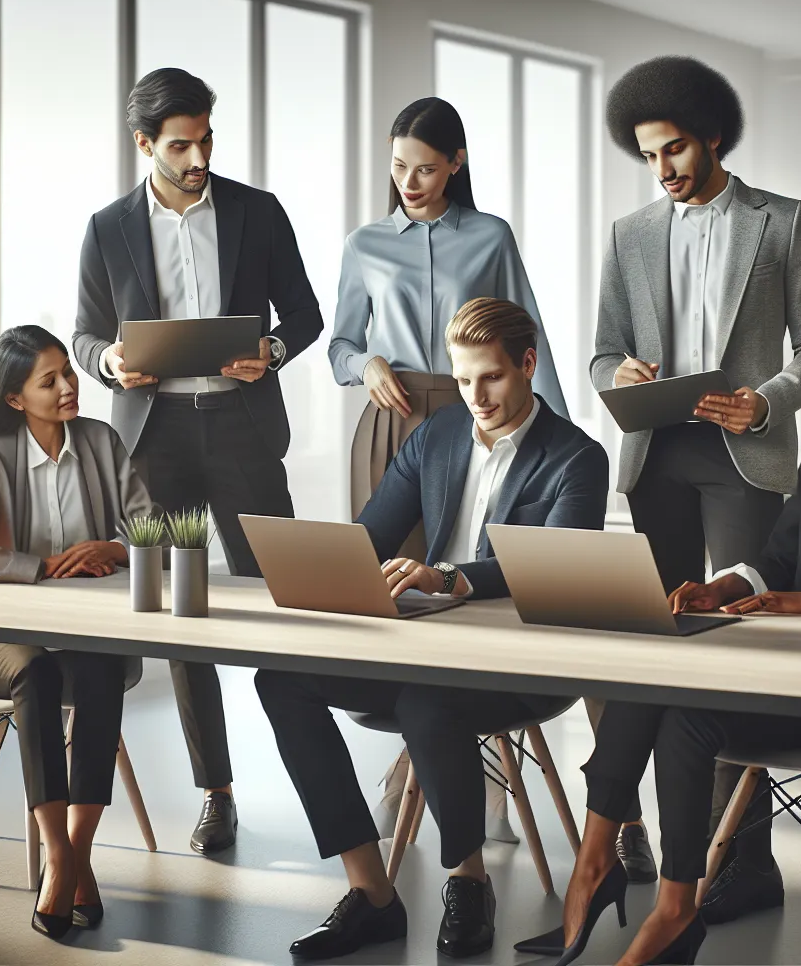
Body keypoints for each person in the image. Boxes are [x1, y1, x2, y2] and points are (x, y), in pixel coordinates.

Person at [531, 289, 801, 966]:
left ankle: (628, 892)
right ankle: (630, 884)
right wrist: (727, 584)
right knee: (654, 666)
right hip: (792, 671)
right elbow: (776, 557)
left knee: (679, 706)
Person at [256, 298, 608, 961]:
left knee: (425, 697)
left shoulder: (576, 458)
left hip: (522, 670)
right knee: (280, 680)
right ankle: (370, 893)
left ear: (527, 365)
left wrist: (448, 576)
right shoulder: (437, 435)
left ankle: (468, 883)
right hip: (425, 651)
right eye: (465, 378)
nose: (477, 396)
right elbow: (369, 537)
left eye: (493, 378)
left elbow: (554, 570)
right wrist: (320, 565)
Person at [589, 54, 801, 910]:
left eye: (677, 150)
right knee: (658, 649)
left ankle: (747, 863)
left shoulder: (782, 221)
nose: (664, 171)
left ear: (714, 136)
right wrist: (619, 375)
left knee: (737, 652)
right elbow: (600, 350)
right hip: (657, 454)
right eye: (650, 156)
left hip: (747, 458)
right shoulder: (628, 235)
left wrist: (765, 404)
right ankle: (672, 853)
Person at [72, 67, 325, 856]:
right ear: (144, 144)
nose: (198, 155)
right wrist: (111, 364)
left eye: (206, 138)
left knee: (291, 600)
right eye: (180, 144)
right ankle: (216, 791)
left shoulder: (257, 211)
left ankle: (323, 786)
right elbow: (84, 336)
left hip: (244, 429)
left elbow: (308, 316)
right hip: (159, 445)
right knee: (184, 619)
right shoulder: (108, 227)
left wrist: (271, 351)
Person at [329, 95, 570, 843]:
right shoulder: (365, 243)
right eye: (399, 166)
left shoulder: (489, 236)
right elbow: (339, 343)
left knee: (480, 583)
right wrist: (364, 364)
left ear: (456, 164)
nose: (410, 180)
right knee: (399, 595)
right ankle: (416, 770)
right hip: (397, 421)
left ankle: (482, 779)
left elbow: (525, 332)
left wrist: (556, 439)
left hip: (481, 409)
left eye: (426, 168)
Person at [0, 325, 153, 940]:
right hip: (0, 642)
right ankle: (62, 858)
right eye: (48, 380)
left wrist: (113, 547)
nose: (68, 387)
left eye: (69, 373)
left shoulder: (101, 442)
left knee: (99, 666)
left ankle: (73, 855)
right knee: (38, 670)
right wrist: (39, 568)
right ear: (14, 398)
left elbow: (154, 532)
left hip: (86, 631)